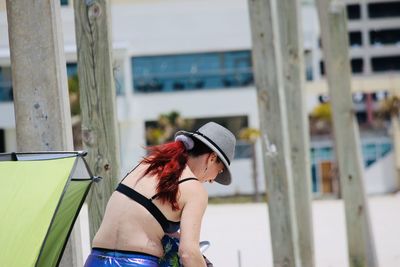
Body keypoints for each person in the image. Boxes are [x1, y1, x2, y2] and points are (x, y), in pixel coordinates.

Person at [84, 122, 236, 267]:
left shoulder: (149, 164)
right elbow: (188, 253)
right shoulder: (195, 190)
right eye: (219, 171)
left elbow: (145, 219)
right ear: (212, 158)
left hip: (96, 259)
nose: (212, 180)